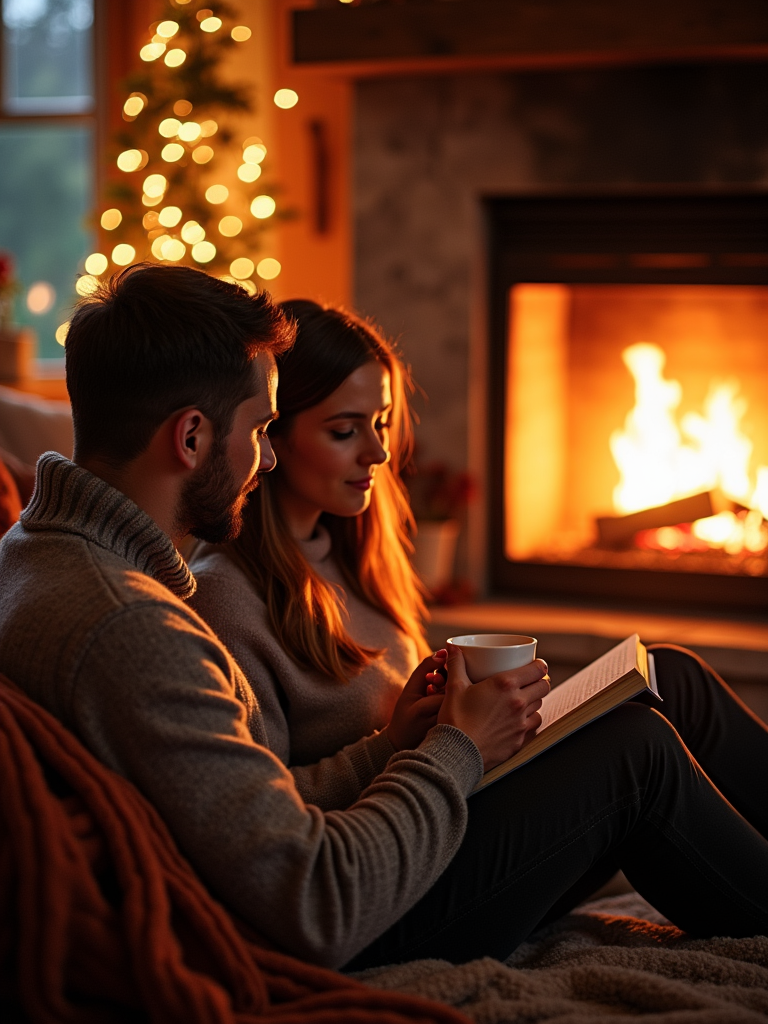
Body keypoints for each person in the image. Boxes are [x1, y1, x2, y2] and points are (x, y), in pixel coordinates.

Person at [0, 267, 766, 977]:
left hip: (350, 869)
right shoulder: (135, 627)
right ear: (192, 436)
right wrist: (456, 748)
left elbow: (260, 804)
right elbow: (316, 901)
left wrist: (394, 745)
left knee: (667, 682)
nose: (264, 462)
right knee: (635, 752)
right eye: (261, 429)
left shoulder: (39, 554)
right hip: (354, 928)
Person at [189, 301, 436, 810]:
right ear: (270, 435)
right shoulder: (226, 601)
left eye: (381, 423)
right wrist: (395, 744)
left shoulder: (354, 558)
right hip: (378, 860)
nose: (379, 453)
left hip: (436, 814)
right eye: (344, 431)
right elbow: (261, 813)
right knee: (633, 749)